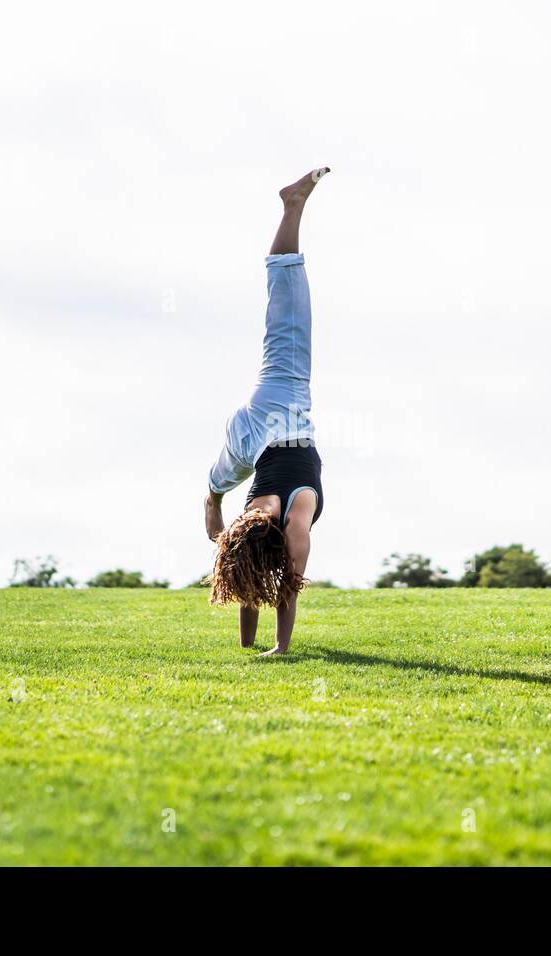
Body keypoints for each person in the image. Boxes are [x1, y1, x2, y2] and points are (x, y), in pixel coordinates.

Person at [204, 167, 330, 656]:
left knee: (289, 309)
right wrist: (257, 647)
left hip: (282, 406)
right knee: (221, 478)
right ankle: (211, 497)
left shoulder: (292, 523)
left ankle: (291, 205)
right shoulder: (258, 520)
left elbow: (285, 587)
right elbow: (250, 579)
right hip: (252, 433)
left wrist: (279, 647)